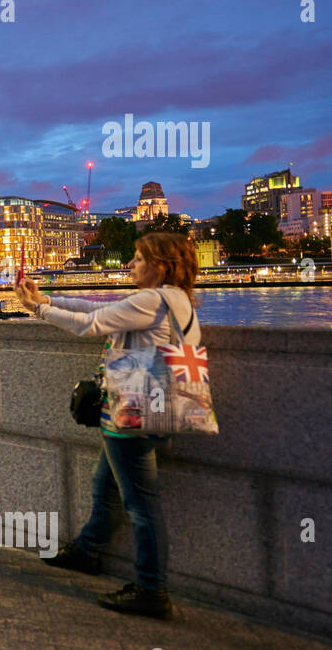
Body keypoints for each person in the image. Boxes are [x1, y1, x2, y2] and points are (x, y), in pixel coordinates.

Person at [15, 232, 202, 621]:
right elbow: (102, 307)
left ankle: (152, 590)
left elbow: (90, 322)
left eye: (137, 258)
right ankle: (88, 548)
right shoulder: (176, 299)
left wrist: (38, 310)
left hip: (133, 411)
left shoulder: (152, 299)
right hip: (159, 408)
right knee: (107, 483)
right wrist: (47, 299)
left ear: (161, 266)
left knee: (141, 504)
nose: (130, 265)